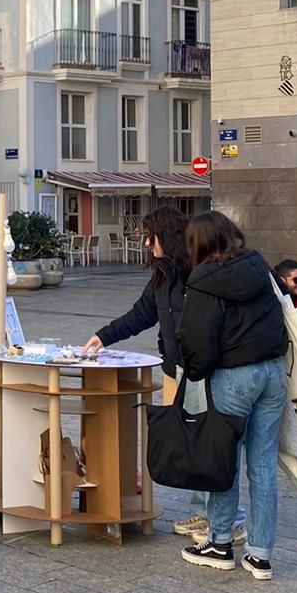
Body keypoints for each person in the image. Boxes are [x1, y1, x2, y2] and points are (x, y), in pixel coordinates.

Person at [84, 206, 246, 544]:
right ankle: (205, 511)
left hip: (204, 370)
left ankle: (231, 520)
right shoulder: (162, 275)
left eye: (150, 235)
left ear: (166, 237)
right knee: (191, 443)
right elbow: (142, 313)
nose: (145, 242)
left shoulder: (197, 272)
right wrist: (104, 335)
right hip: (178, 369)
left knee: (208, 445)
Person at [176, 210, 287, 580]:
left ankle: (220, 542)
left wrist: (195, 373)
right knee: (263, 464)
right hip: (272, 372)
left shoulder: (203, 280)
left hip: (233, 375)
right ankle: (260, 554)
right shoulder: (259, 267)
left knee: (223, 460)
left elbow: (196, 339)